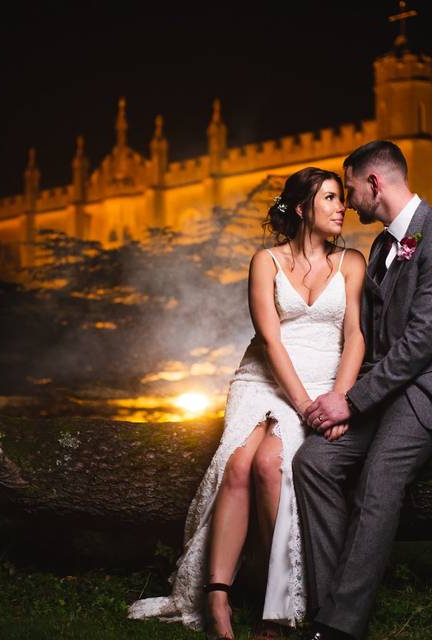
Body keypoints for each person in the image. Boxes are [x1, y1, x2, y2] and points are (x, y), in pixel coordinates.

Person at [128, 167, 367, 639]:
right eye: (331, 198)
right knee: (237, 464)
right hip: (263, 376)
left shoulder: (353, 262)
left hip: (324, 379)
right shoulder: (265, 261)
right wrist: (303, 406)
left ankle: (277, 609)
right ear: (302, 208)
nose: (343, 207)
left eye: (342, 199)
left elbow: (356, 336)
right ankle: (217, 597)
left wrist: (338, 398)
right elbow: (270, 339)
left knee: (270, 465)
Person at [294, 141, 432, 640]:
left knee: (378, 479)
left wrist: (350, 401)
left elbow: (422, 343)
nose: (348, 199)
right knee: (312, 462)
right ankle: (328, 603)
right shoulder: (382, 246)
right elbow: (371, 337)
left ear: (374, 184)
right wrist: (350, 393)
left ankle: (337, 626)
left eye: (351, 186)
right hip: (385, 387)